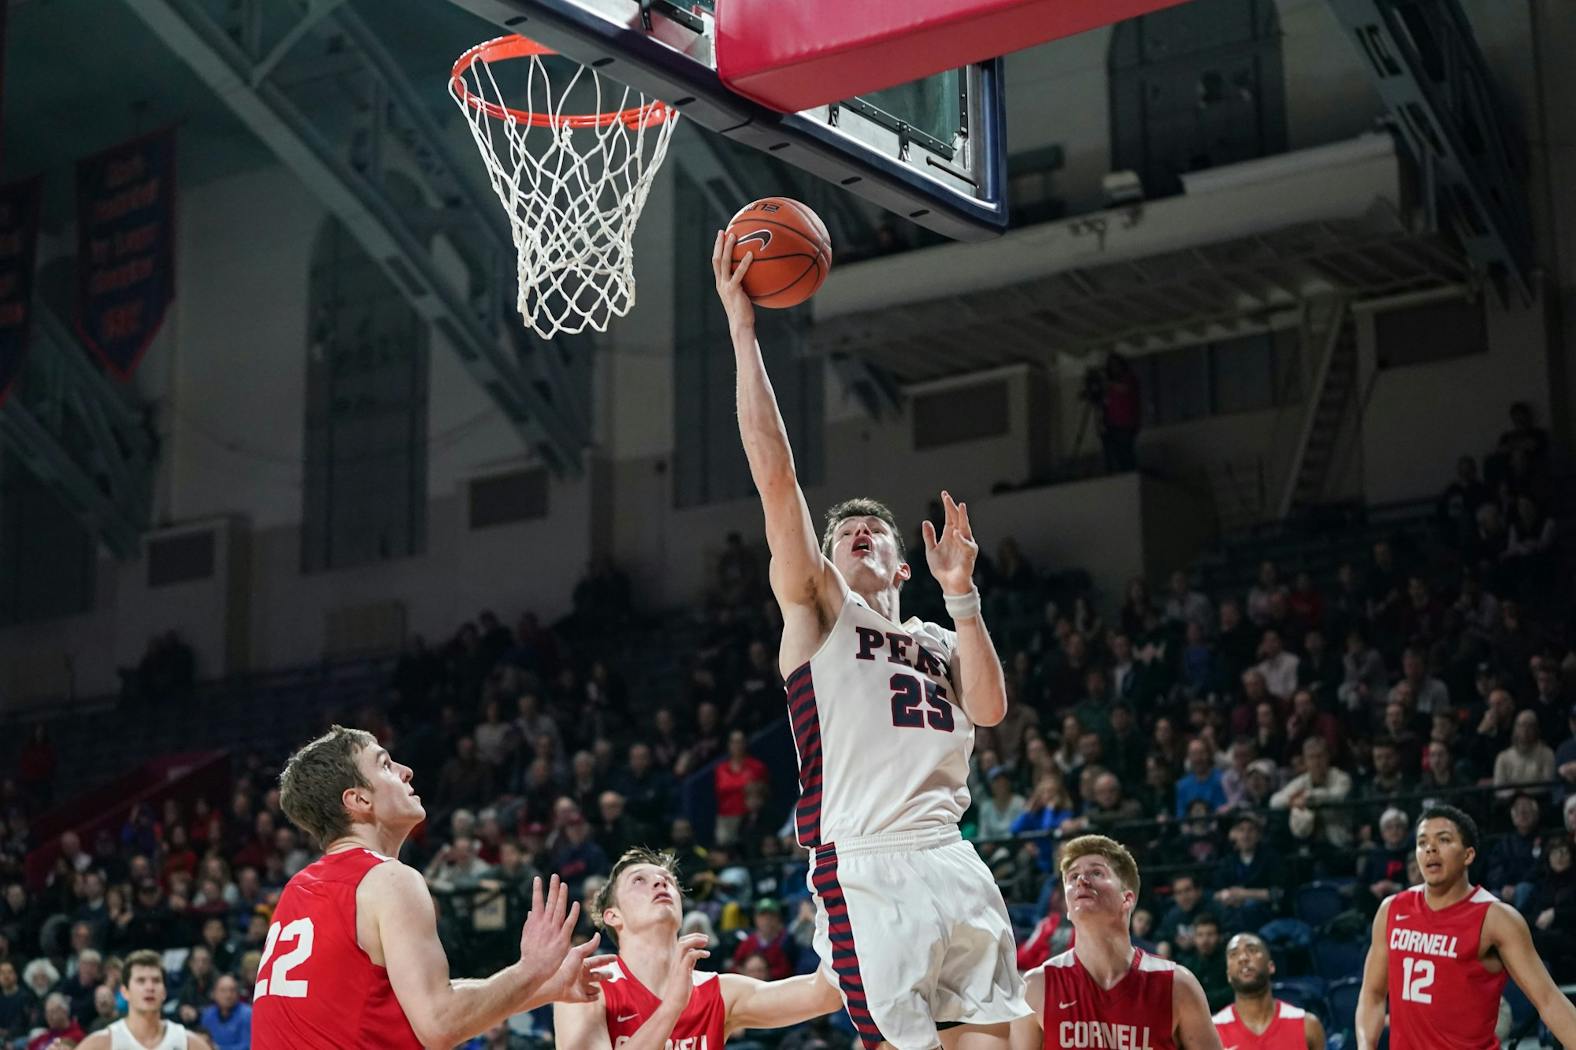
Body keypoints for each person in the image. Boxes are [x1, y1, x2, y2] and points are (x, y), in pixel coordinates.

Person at [715, 234, 1029, 1048]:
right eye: (844, 531)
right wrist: (745, 336)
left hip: (951, 854)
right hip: (867, 863)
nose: (857, 534)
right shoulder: (819, 614)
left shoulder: (935, 627)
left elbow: (990, 710)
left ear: (902, 559)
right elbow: (775, 476)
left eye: (872, 530)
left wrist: (964, 596)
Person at [251, 725, 610, 1049]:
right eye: (385, 765)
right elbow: (440, 1023)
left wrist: (545, 986)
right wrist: (531, 969)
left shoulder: (297, 889)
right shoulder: (388, 879)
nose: (406, 771)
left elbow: (422, 1001)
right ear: (359, 800)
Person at [553, 848, 845, 1048]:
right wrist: (672, 1007)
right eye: (639, 880)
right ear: (612, 915)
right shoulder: (586, 986)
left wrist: (835, 897)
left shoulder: (719, 992)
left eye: (667, 880)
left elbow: (824, 994)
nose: (660, 882)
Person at [1354, 804, 1576, 1050]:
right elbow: (1372, 994)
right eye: (1422, 842)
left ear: (1468, 855)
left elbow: (1548, 1000)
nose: (1430, 848)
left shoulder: (1496, 919)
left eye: (1444, 839)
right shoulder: (1391, 910)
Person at [1011, 835, 1221, 1050]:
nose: (1081, 880)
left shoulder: (1178, 986)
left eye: (1096, 872)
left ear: (1127, 898)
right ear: (1067, 904)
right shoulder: (1036, 987)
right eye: (1073, 876)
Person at [76, 949, 213, 1050]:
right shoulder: (102, 1043)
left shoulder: (187, 1042)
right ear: (125, 992)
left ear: (164, 992)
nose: (149, 987)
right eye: (141, 981)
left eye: (156, 980)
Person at [1212, 933, 1325, 1050]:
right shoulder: (1212, 1032)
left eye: (1252, 950)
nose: (1243, 958)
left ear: (1271, 966)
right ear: (1228, 975)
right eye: (1234, 954)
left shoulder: (1307, 1025)